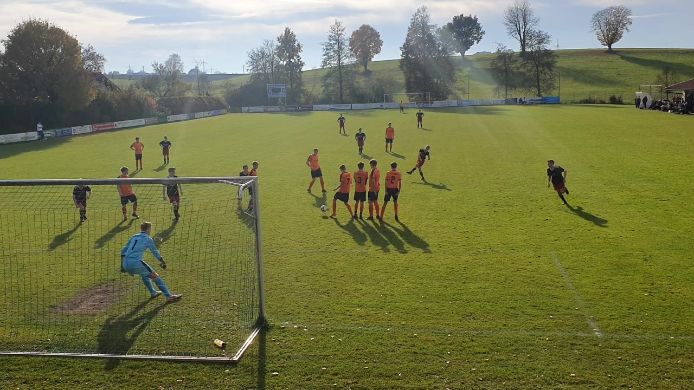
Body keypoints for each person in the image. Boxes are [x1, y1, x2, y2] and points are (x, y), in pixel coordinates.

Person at [121, 221, 182, 303]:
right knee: (155, 276)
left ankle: (153, 292)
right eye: (151, 228)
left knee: (145, 274)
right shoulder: (147, 239)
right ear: (149, 229)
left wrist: (122, 266)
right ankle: (169, 296)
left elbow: (123, 250)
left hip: (125, 263)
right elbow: (155, 252)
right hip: (136, 263)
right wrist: (162, 261)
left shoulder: (134, 236)